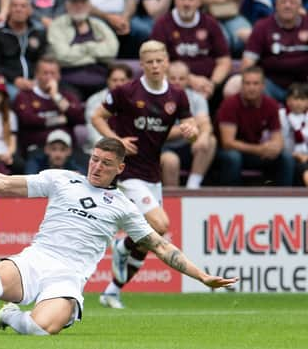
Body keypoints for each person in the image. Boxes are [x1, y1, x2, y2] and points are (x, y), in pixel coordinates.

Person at [0, 137, 238, 335]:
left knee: (40, 329)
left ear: (120, 168)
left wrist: (201, 276)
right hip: (36, 258)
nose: (96, 167)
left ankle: (9, 317)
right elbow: (1, 183)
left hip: (67, 276)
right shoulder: (61, 180)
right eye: (94, 159)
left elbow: (160, 246)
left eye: (106, 163)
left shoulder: (124, 207)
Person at [91, 40, 198, 309]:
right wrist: (116, 142)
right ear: (141, 64)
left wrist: (192, 130)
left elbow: (190, 123)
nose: (154, 66)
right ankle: (123, 248)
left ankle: (112, 291)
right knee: (160, 226)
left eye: (159, 61)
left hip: (153, 174)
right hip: (129, 173)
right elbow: (97, 117)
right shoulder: (126, 91)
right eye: (149, 62)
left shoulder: (177, 96)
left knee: (150, 239)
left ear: (166, 63)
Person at [215, 66, 294, 186]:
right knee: (233, 157)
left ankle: (283, 199)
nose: (251, 88)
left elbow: (278, 137)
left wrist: (275, 147)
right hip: (228, 151)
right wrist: (259, 149)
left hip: (256, 151)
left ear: (263, 86)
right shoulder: (230, 104)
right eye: (247, 83)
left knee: (286, 157)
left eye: (256, 83)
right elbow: (228, 143)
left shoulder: (271, 104)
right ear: (242, 85)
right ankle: (231, 199)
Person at [150, 0, 231, 101]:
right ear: (175, 0)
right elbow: (157, 60)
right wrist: (189, 80)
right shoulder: (162, 24)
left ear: (199, 2)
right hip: (174, 84)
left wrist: (212, 84)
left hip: (209, 85)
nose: (186, 3)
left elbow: (224, 61)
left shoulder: (210, 23)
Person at [47, 0, 119, 99]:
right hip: (69, 83)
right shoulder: (57, 26)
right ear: (67, 5)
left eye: (83, 2)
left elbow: (112, 51)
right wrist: (93, 51)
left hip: (101, 82)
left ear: (89, 5)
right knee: (74, 110)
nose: (79, 6)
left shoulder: (98, 25)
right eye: (75, 2)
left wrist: (77, 50)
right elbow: (62, 56)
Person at [241, 0, 308, 103]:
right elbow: (248, 61)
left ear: (300, 6)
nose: (287, 5)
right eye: (283, 2)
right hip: (271, 85)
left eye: (292, 2)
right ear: (275, 4)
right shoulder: (262, 26)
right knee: (235, 85)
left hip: (303, 86)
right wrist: (252, 83)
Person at [161, 61, 216, 189]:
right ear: (166, 79)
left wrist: (203, 136)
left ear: (188, 80)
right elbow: (161, 133)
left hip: (188, 144)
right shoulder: (157, 98)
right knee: (171, 161)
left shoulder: (197, 98)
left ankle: (193, 186)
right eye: (173, 78)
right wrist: (191, 125)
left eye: (181, 78)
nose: (177, 82)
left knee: (210, 140)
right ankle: (172, 198)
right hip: (163, 148)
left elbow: (206, 124)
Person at [14, 55, 84, 155]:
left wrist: (55, 96)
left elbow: (79, 117)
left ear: (59, 75)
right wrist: (61, 119)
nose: (49, 77)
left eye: (53, 73)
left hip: (67, 151)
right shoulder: (25, 96)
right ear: (37, 75)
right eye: (45, 73)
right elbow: (28, 120)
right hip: (37, 149)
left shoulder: (67, 95)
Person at [0, 0, 47, 100]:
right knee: (20, 98)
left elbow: (44, 60)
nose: (18, 9)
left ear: (30, 10)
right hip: (8, 82)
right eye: (14, 6)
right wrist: (15, 79)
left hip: (35, 81)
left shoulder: (38, 31)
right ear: (8, 9)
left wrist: (37, 80)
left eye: (23, 6)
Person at [84, 63, 133, 153]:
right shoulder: (94, 100)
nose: (118, 84)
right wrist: (113, 148)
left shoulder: (138, 100)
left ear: (130, 81)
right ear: (108, 81)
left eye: (123, 80)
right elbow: (93, 132)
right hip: (100, 149)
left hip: (131, 149)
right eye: (114, 80)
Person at [279, 83, 308, 186]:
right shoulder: (281, 115)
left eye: (302, 99)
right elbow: (278, 140)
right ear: (288, 100)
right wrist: (294, 155)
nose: (298, 103)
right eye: (295, 98)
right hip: (287, 156)